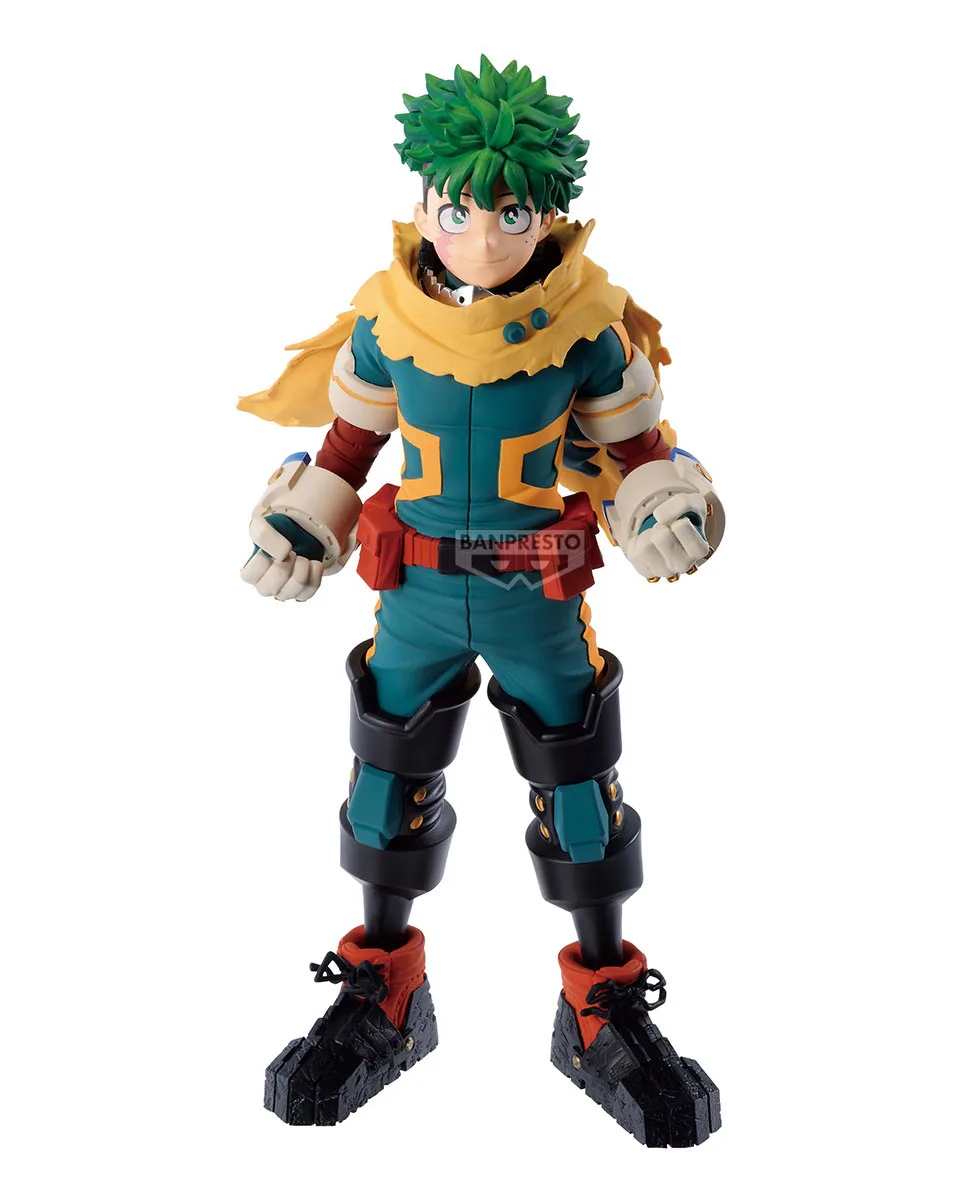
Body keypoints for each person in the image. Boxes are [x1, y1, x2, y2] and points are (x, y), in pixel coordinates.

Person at [239, 56, 724, 1147]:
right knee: (384, 785)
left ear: (548, 212)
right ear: (423, 206)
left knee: (579, 787)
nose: (486, 237)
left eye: (512, 212)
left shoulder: (587, 325)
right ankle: (384, 987)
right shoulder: (387, 322)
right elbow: (347, 447)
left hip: (534, 590)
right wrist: (303, 519)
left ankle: (602, 1001)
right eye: (458, 208)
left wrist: (666, 502)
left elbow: (639, 449)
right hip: (413, 589)